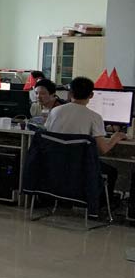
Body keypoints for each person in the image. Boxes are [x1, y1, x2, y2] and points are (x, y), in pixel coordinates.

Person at [45, 76, 124, 204]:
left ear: (70, 93)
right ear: (91, 95)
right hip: (80, 166)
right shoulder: (94, 117)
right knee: (112, 171)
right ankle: (100, 206)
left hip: (54, 164)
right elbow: (103, 149)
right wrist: (115, 137)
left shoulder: (55, 111)